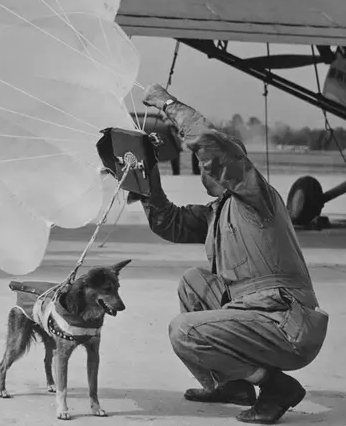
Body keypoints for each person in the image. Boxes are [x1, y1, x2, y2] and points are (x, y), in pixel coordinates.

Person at [139, 84, 329, 425]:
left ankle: (275, 386)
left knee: (183, 331)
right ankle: (234, 385)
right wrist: (144, 171)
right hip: (256, 316)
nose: (205, 167)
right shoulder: (217, 212)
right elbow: (169, 223)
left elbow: (211, 145)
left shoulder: (254, 197)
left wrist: (168, 104)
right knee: (193, 282)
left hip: (285, 324)